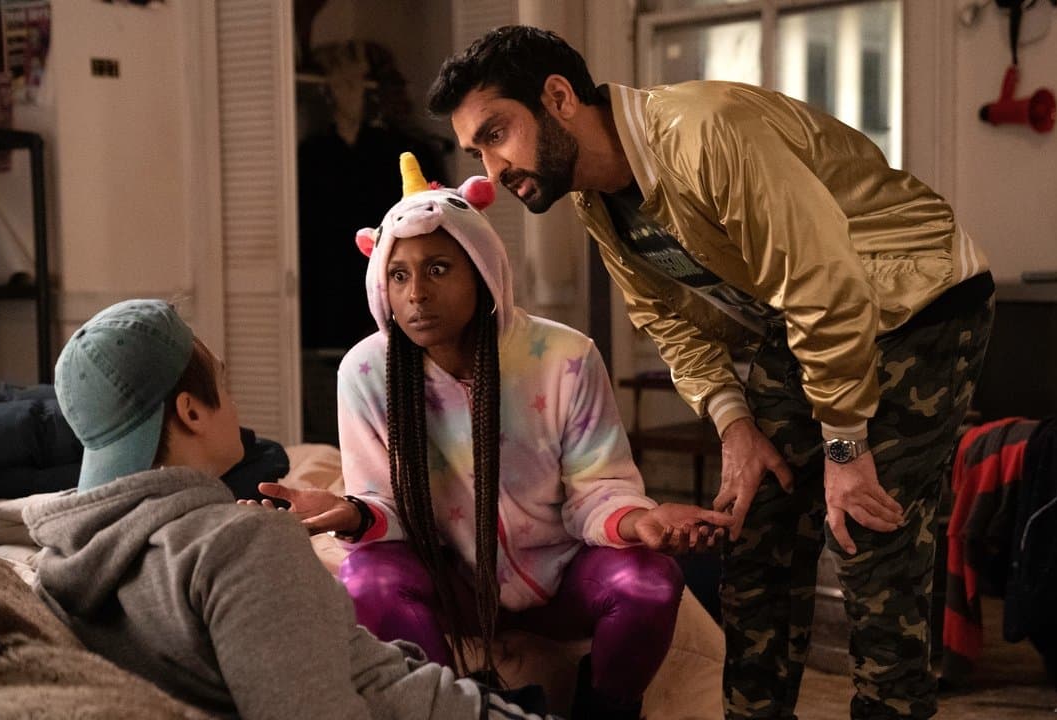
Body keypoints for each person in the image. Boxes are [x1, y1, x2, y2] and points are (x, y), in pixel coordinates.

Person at [425, 26, 995, 720]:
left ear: (558, 97)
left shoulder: (704, 132)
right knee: (755, 534)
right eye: (477, 152)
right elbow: (667, 319)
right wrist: (735, 425)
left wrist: (844, 447)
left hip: (918, 299)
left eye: (497, 134)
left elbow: (823, 281)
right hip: (806, 318)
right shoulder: (594, 198)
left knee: (868, 538)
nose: (491, 169)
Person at [254, 153, 730, 720]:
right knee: (367, 577)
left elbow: (598, 488)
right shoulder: (365, 371)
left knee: (650, 583)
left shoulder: (565, 357)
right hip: (448, 586)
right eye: (399, 276)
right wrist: (352, 513)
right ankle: (447, 711)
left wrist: (638, 521)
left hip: (561, 583)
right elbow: (384, 502)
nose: (416, 293)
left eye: (438, 269)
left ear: (482, 270)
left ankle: (602, 711)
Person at [22, 299, 556, 720]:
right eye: (223, 383)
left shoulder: (62, 568)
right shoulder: (241, 546)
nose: (234, 403)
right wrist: (267, 554)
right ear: (191, 412)